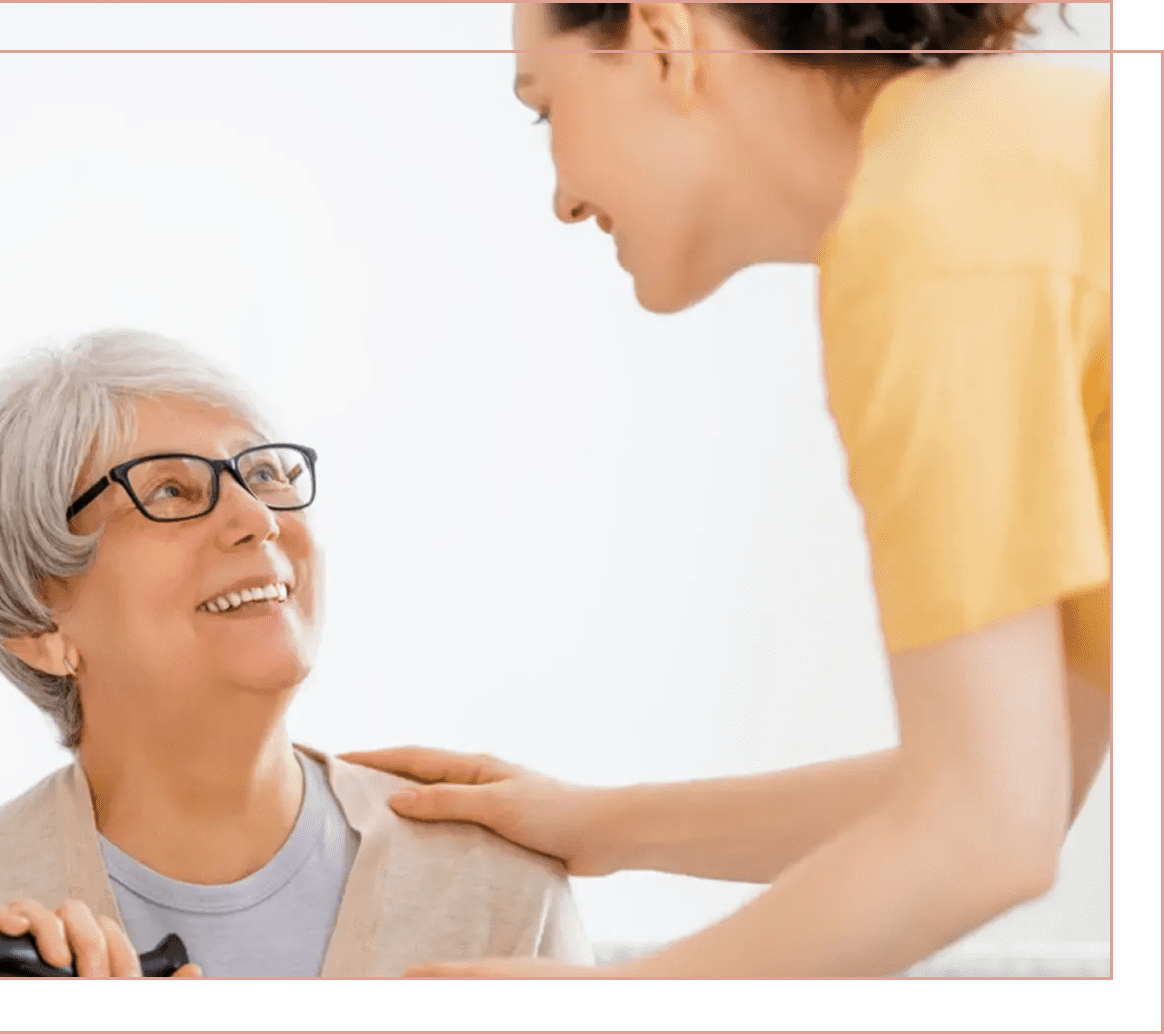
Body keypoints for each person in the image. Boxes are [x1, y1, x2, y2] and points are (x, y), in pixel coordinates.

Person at [341, 3, 1110, 979]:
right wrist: (601, 824)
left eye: (546, 106)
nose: (562, 199)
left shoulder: (933, 239)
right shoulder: (1014, 156)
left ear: (665, 39)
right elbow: (1017, 781)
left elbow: (985, 832)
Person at [0, 329, 591, 978]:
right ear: (41, 624)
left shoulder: (499, 886)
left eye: (263, 474)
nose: (257, 518)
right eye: (169, 489)